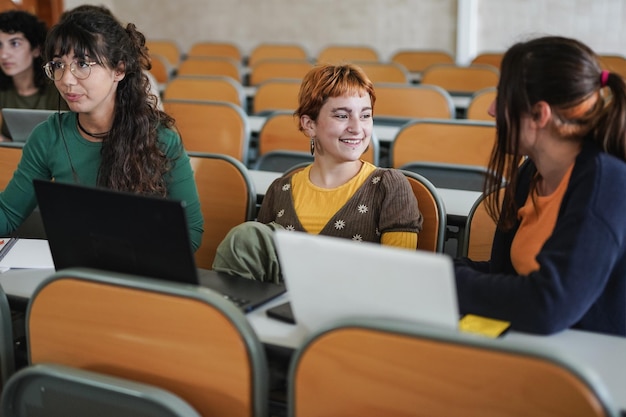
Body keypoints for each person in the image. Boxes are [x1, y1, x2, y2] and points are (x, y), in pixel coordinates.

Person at [454, 36, 626, 337]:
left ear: (539, 115)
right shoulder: (532, 173)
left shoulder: (606, 183)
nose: (492, 111)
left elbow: (547, 304)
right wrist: (431, 271)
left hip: (595, 368)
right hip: (540, 349)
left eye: (502, 97)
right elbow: (505, 276)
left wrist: (448, 280)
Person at [0, 9, 203, 250]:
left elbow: (191, 234)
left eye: (83, 63)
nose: (66, 80)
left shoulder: (160, 138)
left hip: (138, 269)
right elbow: (8, 214)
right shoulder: (47, 136)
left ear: (119, 69)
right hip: (72, 271)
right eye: (58, 65)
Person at [213, 63, 423, 283]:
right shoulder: (281, 189)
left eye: (365, 115)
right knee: (244, 237)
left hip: (354, 311)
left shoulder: (388, 186)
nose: (357, 127)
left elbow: (397, 280)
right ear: (309, 125)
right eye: (342, 116)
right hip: (279, 312)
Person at [0, 10, 68, 141]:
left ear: (36, 49)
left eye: (14, 44)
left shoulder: (58, 86)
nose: (3, 55)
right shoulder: (3, 90)